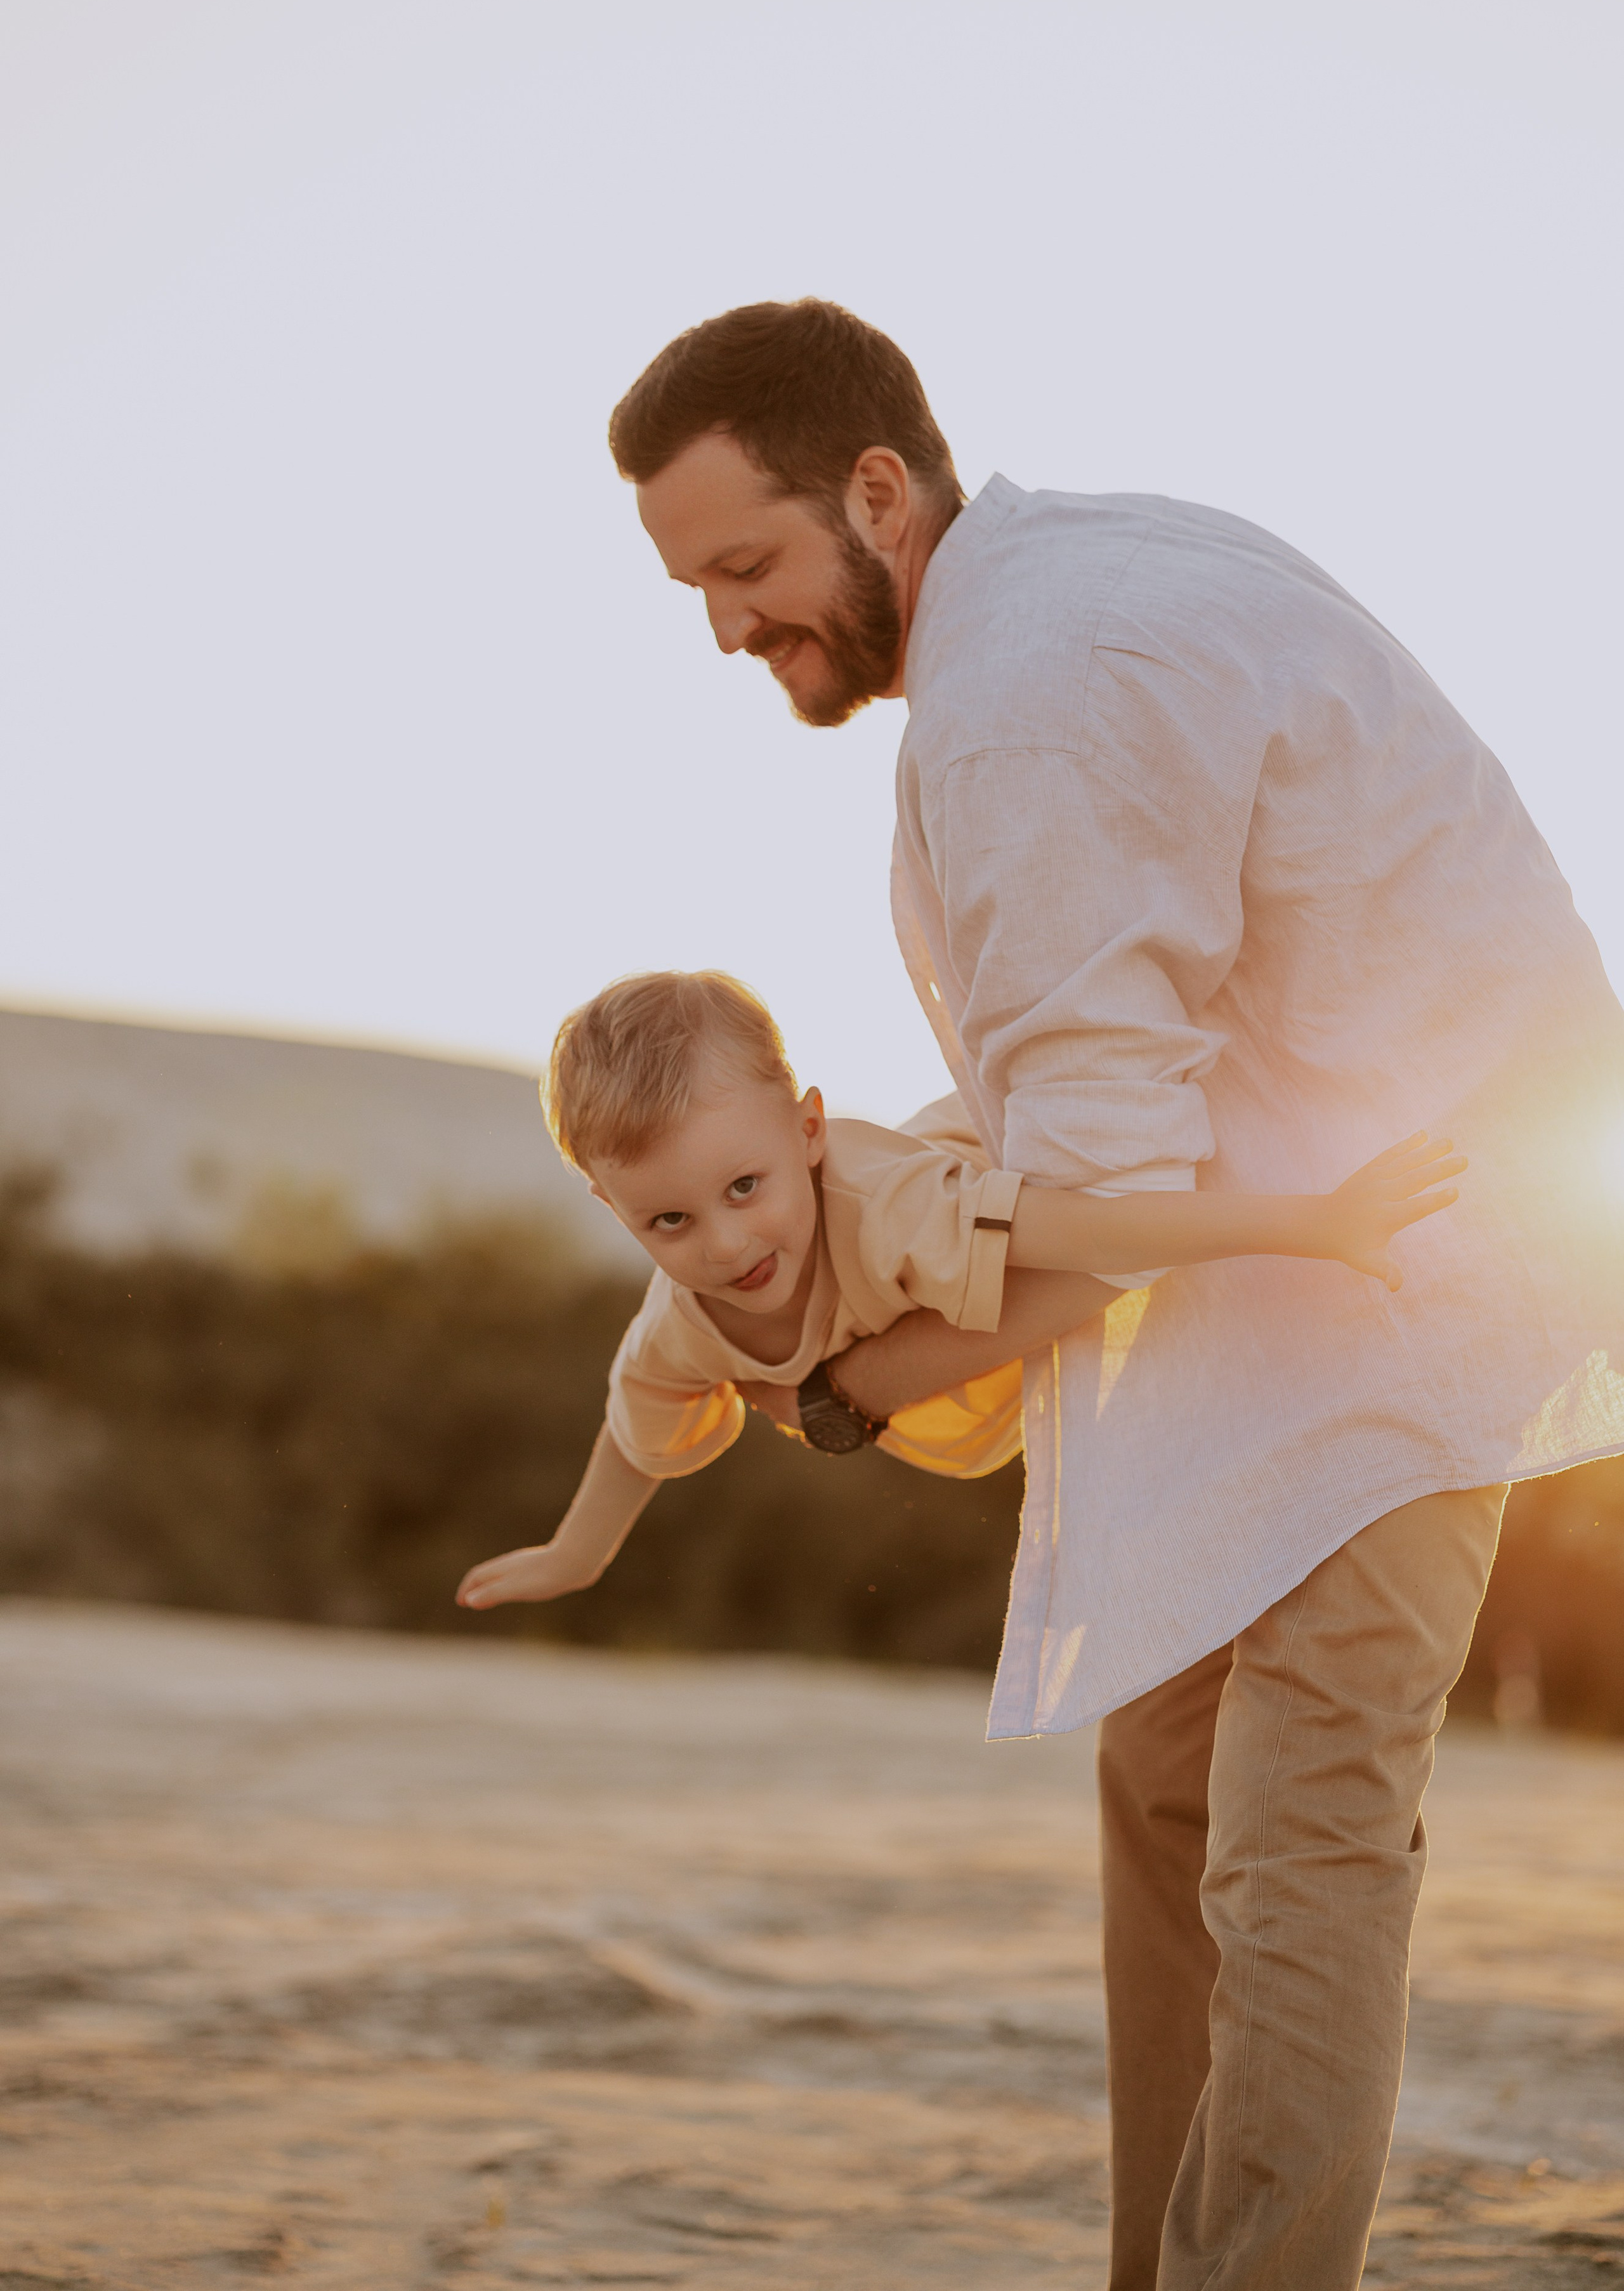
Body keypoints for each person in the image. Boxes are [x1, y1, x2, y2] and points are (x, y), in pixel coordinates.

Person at [601, 299, 1624, 2291]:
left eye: (746, 565)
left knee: (1300, 1838)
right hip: (1276, 1295)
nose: (725, 627)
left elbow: (1104, 1196)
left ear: (876, 491)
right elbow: (1089, 1107)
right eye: (693, 588)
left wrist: (856, 1382)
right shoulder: (1072, 586)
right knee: (1163, 1783)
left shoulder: (1034, 693)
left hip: (1406, 1283)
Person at [456, 969, 1461, 1615]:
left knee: (1115, 1245)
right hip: (982, 1356)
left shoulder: (894, 1210)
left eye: (745, 1188)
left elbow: (1094, 1229)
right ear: (612, 1207)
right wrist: (574, 1553)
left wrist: (1315, 1222)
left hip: (1054, 1180)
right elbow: (636, 1425)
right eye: (668, 1221)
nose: (726, 1245)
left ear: (808, 1130)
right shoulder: (680, 1324)